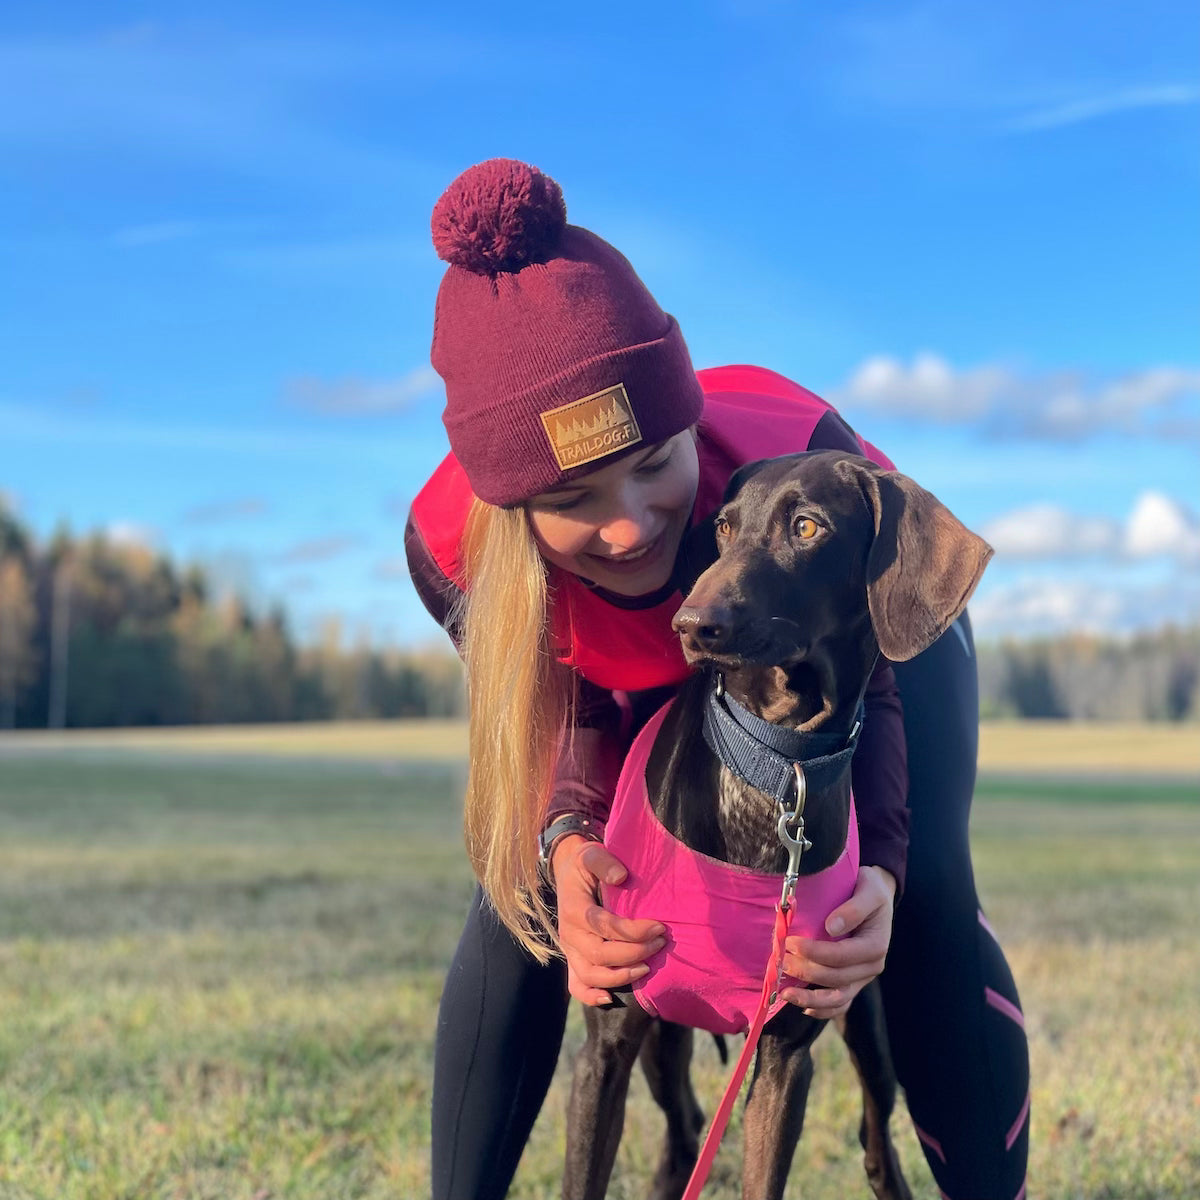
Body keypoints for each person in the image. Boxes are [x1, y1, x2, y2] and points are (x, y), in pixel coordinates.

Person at [405, 158, 1030, 1200]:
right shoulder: (452, 555)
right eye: (574, 497)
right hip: (659, 676)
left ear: (690, 423)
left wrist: (880, 868)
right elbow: (564, 702)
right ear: (513, 511)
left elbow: (861, 684)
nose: (632, 522)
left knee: (919, 905)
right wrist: (566, 843)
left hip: (874, 634)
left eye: (655, 462)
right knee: (523, 901)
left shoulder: (792, 461)